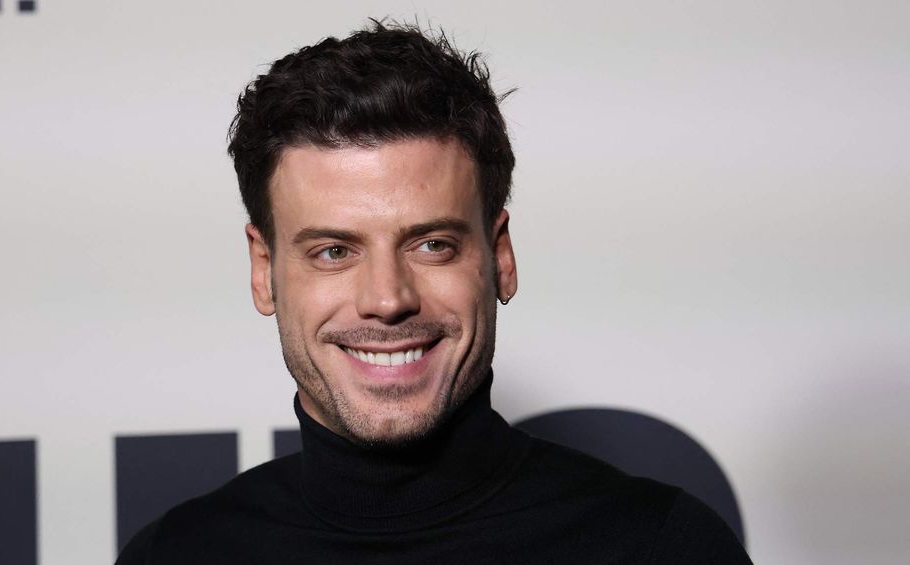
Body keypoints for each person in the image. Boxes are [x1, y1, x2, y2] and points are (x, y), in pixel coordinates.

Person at [116, 21, 752, 564]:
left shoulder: (661, 547)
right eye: (334, 251)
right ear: (264, 271)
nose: (387, 299)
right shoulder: (171, 555)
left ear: (500, 257)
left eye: (432, 245)